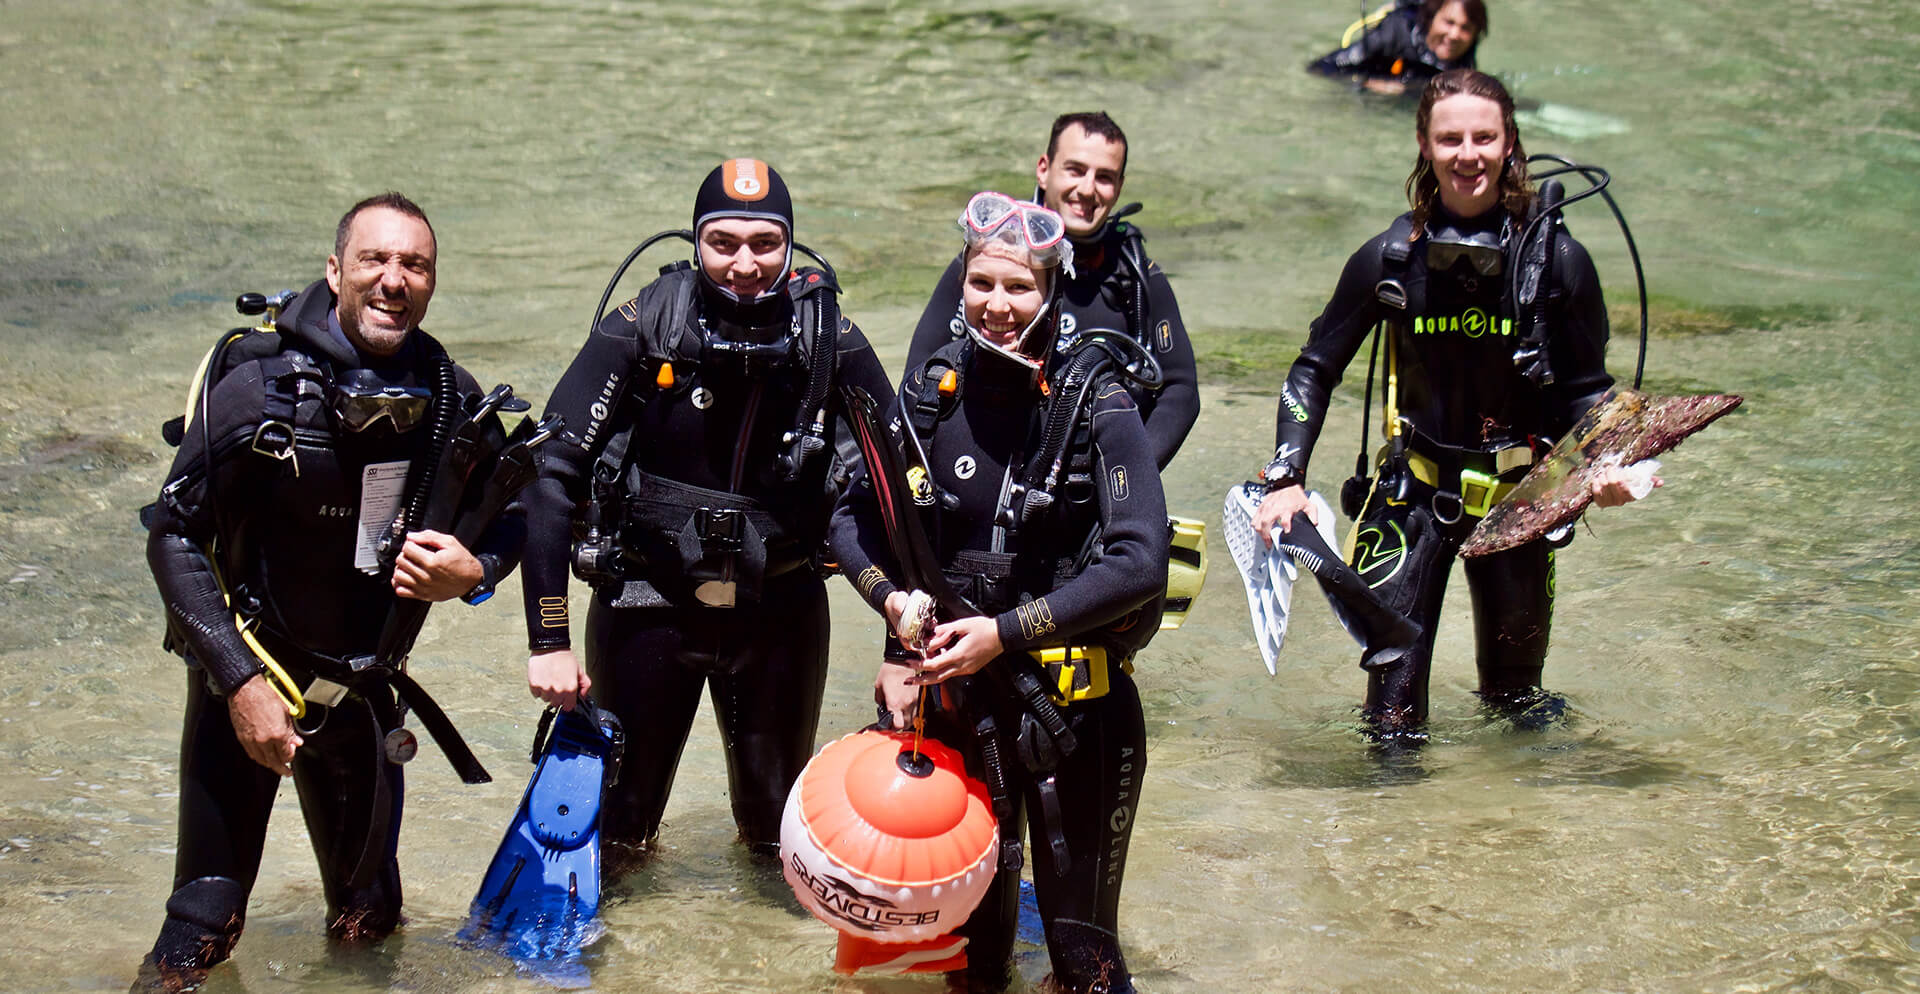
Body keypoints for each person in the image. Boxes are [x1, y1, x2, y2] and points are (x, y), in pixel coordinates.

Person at [140, 193, 524, 986]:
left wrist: (475, 574)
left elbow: (524, 509)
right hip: (247, 686)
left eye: (414, 265)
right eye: (374, 261)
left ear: (432, 281)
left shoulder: (446, 394)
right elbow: (172, 536)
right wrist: (239, 685)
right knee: (202, 930)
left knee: (370, 927)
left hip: (361, 689)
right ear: (335, 271)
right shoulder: (263, 391)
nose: (394, 280)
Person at [1251, 70, 1655, 743]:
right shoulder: (1388, 259)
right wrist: (1286, 476)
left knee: (1520, 709)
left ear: (1508, 143)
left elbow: (1590, 390)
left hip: (1520, 504)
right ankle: (1392, 843)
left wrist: (1607, 470)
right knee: (1391, 721)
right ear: (1423, 144)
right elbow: (1314, 367)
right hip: (1413, 497)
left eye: (1483, 137)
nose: (1467, 153)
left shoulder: (1559, 262)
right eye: (1450, 138)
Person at [832, 192, 1167, 993]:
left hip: (1077, 717)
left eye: (1019, 287)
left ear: (1052, 288)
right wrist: (890, 602)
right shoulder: (929, 396)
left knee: (1083, 963)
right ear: (962, 283)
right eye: (982, 283)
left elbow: (1139, 563)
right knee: (971, 967)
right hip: (962, 717)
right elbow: (852, 519)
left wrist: (1004, 632)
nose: (998, 305)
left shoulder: (1101, 404)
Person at [519, 159, 894, 861]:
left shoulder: (828, 340)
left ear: (791, 244)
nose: (745, 263)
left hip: (779, 609)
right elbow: (550, 471)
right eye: (724, 243)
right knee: (617, 839)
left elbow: (901, 489)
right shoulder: (642, 327)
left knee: (777, 846)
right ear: (696, 243)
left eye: (765, 243)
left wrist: (903, 652)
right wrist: (549, 641)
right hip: (645, 602)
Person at [905, 112, 1199, 470]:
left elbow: (1181, 391)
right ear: (1044, 168)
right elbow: (920, 370)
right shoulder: (993, 257)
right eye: (1075, 169)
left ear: (1120, 186)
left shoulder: (1137, 276)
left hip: (1090, 480)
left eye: (1104, 177)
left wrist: (1128, 479)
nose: (1088, 189)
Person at [1308, 0, 1488, 96]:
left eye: (1466, 28)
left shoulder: (1467, 52)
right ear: (1431, 19)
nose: (1455, 34)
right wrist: (1366, 82)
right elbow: (1321, 67)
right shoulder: (1394, 31)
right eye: (1449, 23)